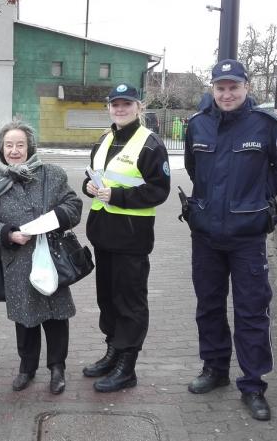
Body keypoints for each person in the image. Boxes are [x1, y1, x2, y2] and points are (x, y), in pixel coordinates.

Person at [183, 59, 277, 421]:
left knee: (251, 310)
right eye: (221, 87)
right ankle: (215, 370)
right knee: (209, 305)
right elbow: (193, 168)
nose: (227, 93)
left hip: (247, 237)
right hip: (205, 235)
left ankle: (253, 384)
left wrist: (254, 199)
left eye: (234, 86)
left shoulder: (266, 126)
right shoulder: (197, 125)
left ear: (246, 87)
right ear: (212, 89)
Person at [0, 120, 82, 394]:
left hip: (51, 257)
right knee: (25, 319)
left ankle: (57, 368)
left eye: (20, 145)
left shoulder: (52, 174)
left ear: (29, 147)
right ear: (1, 149)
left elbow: (73, 206)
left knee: (56, 316)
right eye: (9, 145)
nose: (14, 151)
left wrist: (53, 219)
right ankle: (27, 368)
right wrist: (8, 234)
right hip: (18, 261)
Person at [81, 83, 171, 392]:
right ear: (109, 107)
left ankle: (127, 366)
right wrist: (88, 188)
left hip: (131, 239)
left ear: (139, 107)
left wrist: (116, 195)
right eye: (115, 104)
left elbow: (159, 190)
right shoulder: (104, 140)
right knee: (107, 299)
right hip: (104, 236)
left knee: (130, 302)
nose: (120, 109)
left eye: (127, 104)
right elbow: (93, 178)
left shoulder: (150, 144)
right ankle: (113, 352)